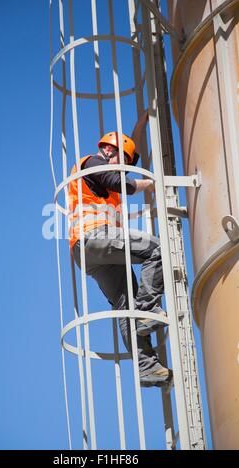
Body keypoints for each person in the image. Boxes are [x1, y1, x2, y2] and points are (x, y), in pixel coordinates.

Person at [68, 110, 173, 387]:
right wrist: (152, 184)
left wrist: (140, 126)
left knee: (127, 304)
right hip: (95, 237)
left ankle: (146, 367)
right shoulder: (93, 162)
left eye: (126, 161)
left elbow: (127, 160)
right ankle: (148, 308)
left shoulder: (109, 168)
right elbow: (122, 182)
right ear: (105, 149)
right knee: (156, 248)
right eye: (120, 158)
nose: (123, 165)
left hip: (92, 252)